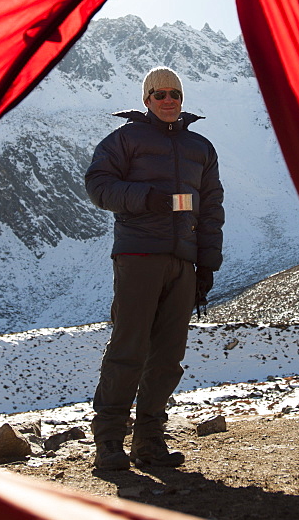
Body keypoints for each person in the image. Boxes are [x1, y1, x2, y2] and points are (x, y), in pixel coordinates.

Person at [85, 66, 224, 470]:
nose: (168, 100)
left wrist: (207, 265)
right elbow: (98, 186)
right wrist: (150, 198)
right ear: (146, 99)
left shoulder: (202, 148)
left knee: (167, 356)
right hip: (139, 256)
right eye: (159, 94)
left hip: (183, 262)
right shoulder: (124, 139)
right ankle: (109, 442)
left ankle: (149, 442)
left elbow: (211, 209)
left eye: (175, 94)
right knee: (128, 349)